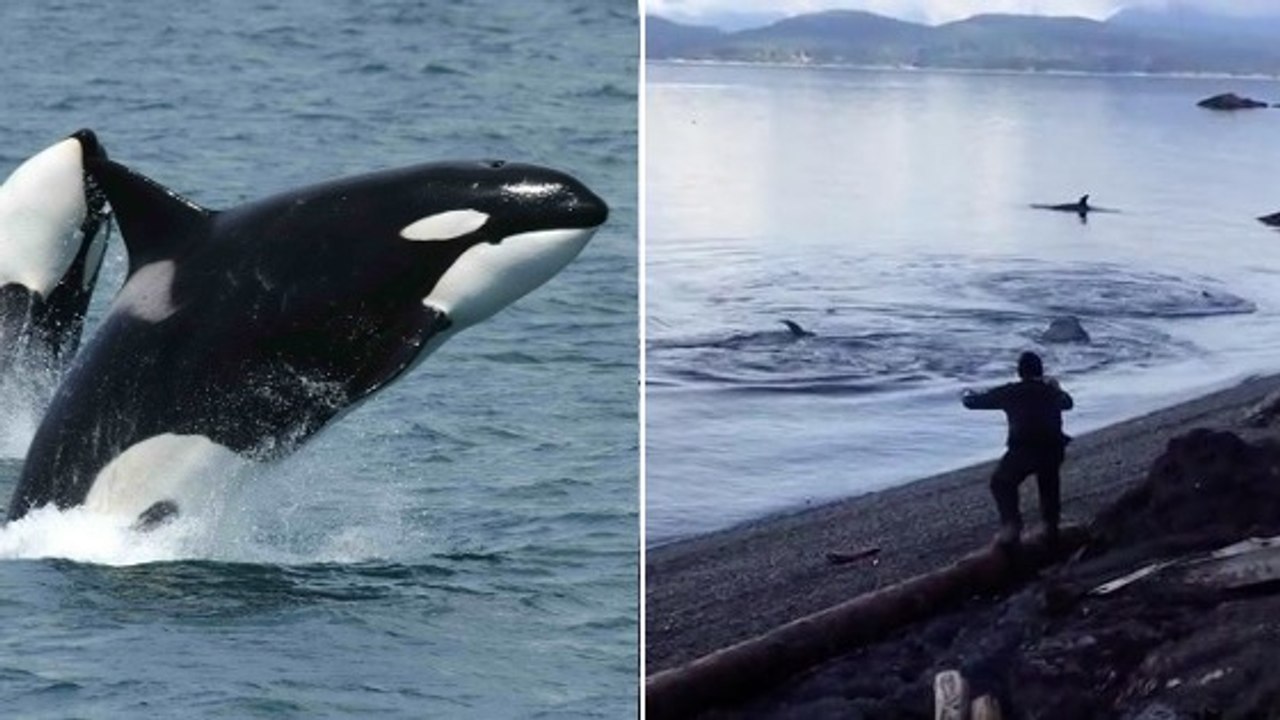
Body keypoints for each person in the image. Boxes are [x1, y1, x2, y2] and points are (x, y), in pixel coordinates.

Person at [962, 351, 1073, 547]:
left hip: (1024, 449)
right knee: (1049, 484)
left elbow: (974, 403)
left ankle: (1011, 526)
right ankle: (1050, 526)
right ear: (1041, 370)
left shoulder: (1011, 391)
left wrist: (966, 394)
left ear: (1019, 372)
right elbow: (1068, 403)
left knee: (1001, 482)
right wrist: (1057, 388)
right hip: (1052, 449)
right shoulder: (1050, 391)